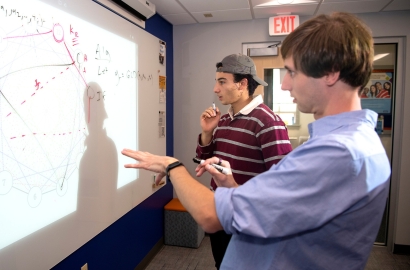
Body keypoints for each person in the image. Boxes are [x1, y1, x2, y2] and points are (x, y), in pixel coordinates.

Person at [121, 12, 390, 270]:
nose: (284, 85)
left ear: (331, 73)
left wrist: (172, 166)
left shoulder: (337, 153)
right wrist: (231, 183)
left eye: (293, 72)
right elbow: (282, 198)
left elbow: (212, 215)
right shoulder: (349, 144)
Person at [196, 53, 292, 269]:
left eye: (222, 82)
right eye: (216, 82)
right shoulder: (225, 119)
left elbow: (283, 185)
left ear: (243, 84)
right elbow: (205, 159)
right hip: (221, 211)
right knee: (222, 264)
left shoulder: (268, 122)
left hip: (247, 221)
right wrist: (206, 134)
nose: (215, 89)